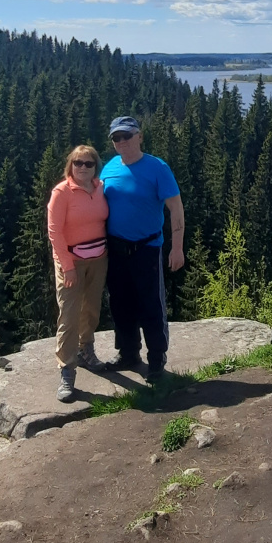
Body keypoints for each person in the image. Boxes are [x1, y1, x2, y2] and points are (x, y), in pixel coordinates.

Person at [101, 115, 184, 386]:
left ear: (139, 136)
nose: (122, 141)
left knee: (151, 304)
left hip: (147, 248)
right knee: (120, 302)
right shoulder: (109, 168)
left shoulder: (157, 167)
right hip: (115, 248)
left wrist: (177, 248)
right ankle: (128, 353)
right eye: (117, 137)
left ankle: (157, 358)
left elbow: (176, 208)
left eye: (127, 135)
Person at [47, 145, 109, 402]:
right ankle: (67, 370)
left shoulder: (100, 188)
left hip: (99, 259)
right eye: (78, 163)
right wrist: (68, 267)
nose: (83, 167)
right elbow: (54, 232)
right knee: (69, 316)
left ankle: (87, 351)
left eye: (88, 163)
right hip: (71, 261)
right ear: (70, 165)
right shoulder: (61, 193)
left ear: (96, 167)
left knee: (91, 308)